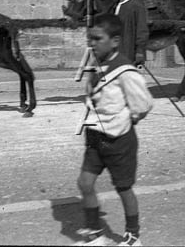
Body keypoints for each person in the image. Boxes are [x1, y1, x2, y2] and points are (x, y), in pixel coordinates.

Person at [76, 14, 153, 246]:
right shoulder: (95, 65)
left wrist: (126, 121)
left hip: (119, 140)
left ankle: (133, 236)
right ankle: (95, 233)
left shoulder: (125, 71)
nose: (92, 43)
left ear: (115, 41)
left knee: (123, 188)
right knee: (85, 183)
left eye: (98, 39)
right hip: (95, 137)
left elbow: (143, 104)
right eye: (90, 38)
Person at [113, 0, 149, 67]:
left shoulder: (136, 5)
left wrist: (140, 51)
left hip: (129, 50)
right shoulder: (116, 4)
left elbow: (142, 29)